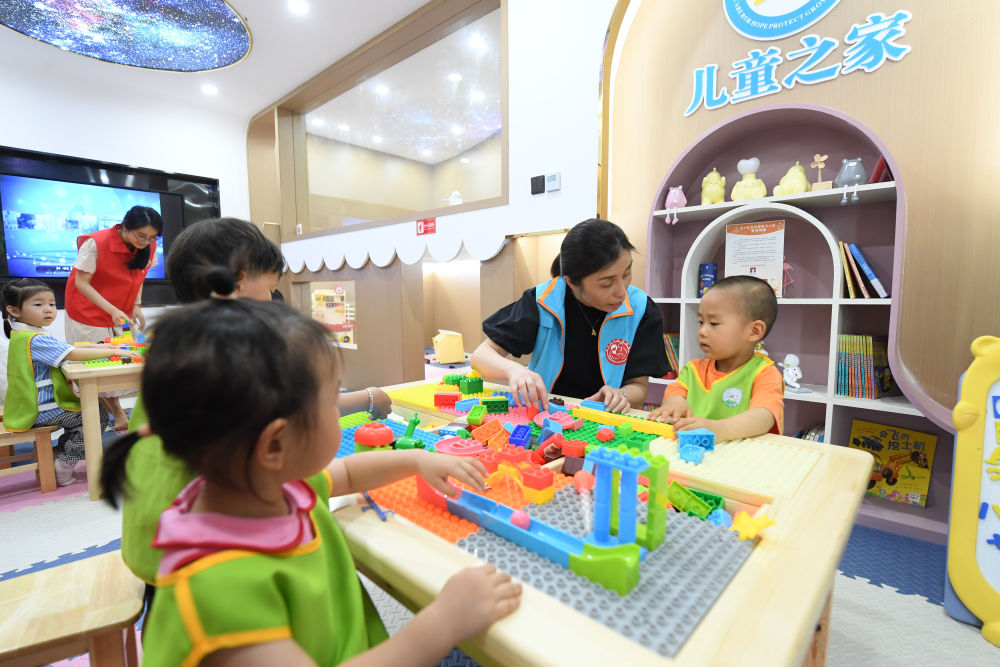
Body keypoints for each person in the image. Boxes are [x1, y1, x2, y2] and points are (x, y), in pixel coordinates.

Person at [101, 287, 521, 666]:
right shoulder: (219, 585)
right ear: (275, 445)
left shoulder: (270, 488)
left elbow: (348, 471)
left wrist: (415, 460)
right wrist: (443, 621)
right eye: (332, 399)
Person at [121, 218, 391, 588]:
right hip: (206, 561)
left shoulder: (176, 350)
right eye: (270, 288)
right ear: (238, 279)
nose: (271, 301)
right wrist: (369, 397)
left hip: (150, 539)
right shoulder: (239, 355)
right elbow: (304, 409)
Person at [472, 218, 668, 413]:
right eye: (606, 283)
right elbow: (481, 356)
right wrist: (514, 370)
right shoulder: (542, 301)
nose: (621, 292)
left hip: (605, 418)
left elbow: (639, 385)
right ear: (572, 282)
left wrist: (621, 395)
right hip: (546, 414)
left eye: (626, 274)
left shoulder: (641, 308)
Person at [1, 279, 138, 485]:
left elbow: (67, 348)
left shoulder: (25, 335)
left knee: (85, 415)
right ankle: (66, 462)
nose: (48, 309)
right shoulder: (35, 339)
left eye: (52, 304)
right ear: (14, 310)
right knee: (97, 417)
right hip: (42, 408)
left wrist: (101, 348)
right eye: (38, 304)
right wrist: (111, 352)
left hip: (34, 405)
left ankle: (59, 452)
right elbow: (72, 353)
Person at [64, 205, 162, 431]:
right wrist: (112, 309)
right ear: (125, 227)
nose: (146, 242)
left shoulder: (149, 246)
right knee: (95, 364)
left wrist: (136, 305)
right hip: (87, 311)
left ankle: (123, 412)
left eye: (152, 237)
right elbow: (81, 283)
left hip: (120, 310)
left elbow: (140, 276)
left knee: (127, 355)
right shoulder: (96, 243)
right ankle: (117, 413)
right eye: (141, 236)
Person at [650, 275, 784, 440]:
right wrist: (674, 402)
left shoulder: (765, 374)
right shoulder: (693, 369)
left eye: (713, 323)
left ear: (754, 331)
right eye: (700, 322)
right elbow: (675, 392)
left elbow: (763, 417)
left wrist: (721, 429)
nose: (702, 331)